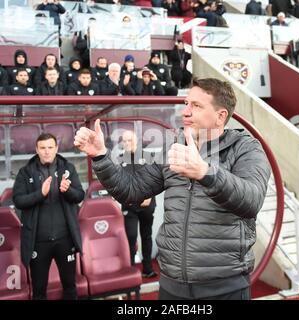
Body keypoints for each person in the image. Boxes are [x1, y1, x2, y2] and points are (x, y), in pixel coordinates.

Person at [74, 78, 271, 300]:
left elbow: (252, 200)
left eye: (196, 106)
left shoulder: (246, 148)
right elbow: (131, 190)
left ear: (220, 116)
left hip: (224, 286)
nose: (185, 112)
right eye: (186, 104)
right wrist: (101, 156)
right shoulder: (174, 147)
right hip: (171, 285)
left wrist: (205, 172)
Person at [13, 133, 85, 299]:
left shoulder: (68, 168)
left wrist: (68, 191)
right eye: (43, 148)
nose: (47, 151)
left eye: (50, 147)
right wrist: (40, 194)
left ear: (56, 148)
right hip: (38, 243)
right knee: (39, 290)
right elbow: (18, 201)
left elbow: (80, 196)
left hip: (65, 240)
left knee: (70, 286)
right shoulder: (25, 172)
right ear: (37, 150)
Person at [119, 130, 158, 278]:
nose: (127, 143)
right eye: (125, 141)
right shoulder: (120, 159)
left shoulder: (149, 157)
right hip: (129, 206)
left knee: (146, 236)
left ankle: (147, 269)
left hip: (147, 205)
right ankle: (130, 271)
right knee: (131, 237)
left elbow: (156, 179)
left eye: (130, 140)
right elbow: (118, 184)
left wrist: (150, 195)